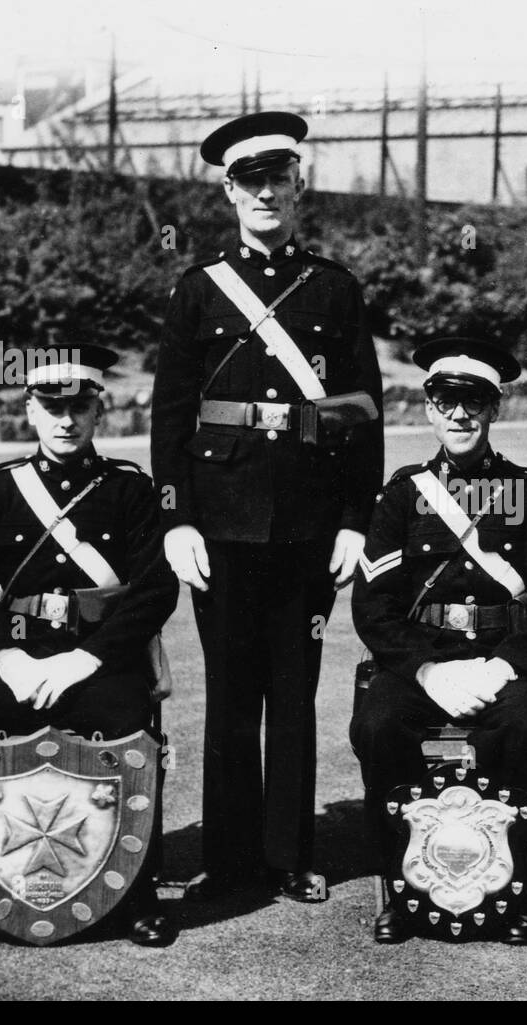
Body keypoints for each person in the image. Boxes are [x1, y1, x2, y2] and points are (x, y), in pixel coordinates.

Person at [150, 112, 383, 903]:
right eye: (249, 182)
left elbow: (360, 410)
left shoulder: (334, 288)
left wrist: (357, 518)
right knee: (229, 698)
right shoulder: (196, 290)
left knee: (293, 696)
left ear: (298, 186)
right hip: (220, 523)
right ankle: (230, 859)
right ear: (228, 192)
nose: (265, 194)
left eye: (277, 180)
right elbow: (171, 414)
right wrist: (176, 516)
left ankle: (288, 855)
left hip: (311, 524)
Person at [0, 344, 180, 950]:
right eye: (52, 407)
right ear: (30, 411)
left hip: (98, 654)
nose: (65, 421)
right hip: (17, 653)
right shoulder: (0, 490)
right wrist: (6, 658)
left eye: (79, 407)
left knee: (127, 729)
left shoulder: (131, 490)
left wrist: (86, 658)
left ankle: (137, 891)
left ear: (98, 412)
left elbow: (154, 591)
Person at [351, 337, 527, 945]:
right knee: (379, 727)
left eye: (473, 401)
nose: (459, 415)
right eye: (445, 401)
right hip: (421, 663)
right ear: (428, 408)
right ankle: (405, 889)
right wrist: (426, 672)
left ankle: (515, 886)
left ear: (494, 409)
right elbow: (373, 605)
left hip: (501, 662)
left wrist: (502, 667)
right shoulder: (402, 493)